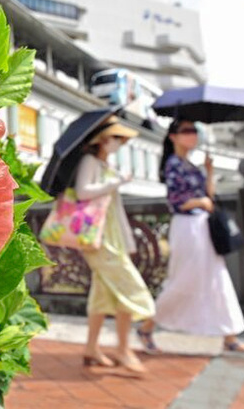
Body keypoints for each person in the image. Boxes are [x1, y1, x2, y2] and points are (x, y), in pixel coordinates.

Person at [138, 119, 244, 355]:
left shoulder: (191, 165)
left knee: (218, 279)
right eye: (186, 131)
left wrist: (209, 172)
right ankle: (147, 327)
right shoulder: (173, 164)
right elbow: (175, 201)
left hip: (202, 226)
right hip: (187, 227)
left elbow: (210, 196)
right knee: (183, 279)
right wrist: (200, 202)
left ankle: (230, 336)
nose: (192, 135)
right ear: (173, 136)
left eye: (194, 131)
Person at [75, 115, 156, 373]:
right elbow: (82, 192)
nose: (119, 143)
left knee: (103, 294)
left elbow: (116, 211)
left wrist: (127, 241)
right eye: (116, 138)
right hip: (98, 239)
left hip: (111, 237)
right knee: (130, 287)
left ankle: (92, 348)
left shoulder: (105, 164)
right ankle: (124, 348)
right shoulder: (90, 161)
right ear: (103, 139)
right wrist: (115, 182)